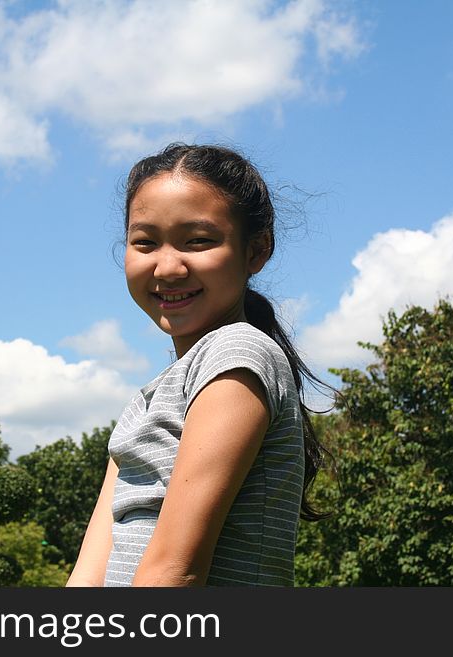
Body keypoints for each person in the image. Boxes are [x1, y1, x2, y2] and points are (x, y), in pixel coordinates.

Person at [66, 143, 329, 587]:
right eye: (145, 242)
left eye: (199, 241)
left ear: (256, 251)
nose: (168, 267)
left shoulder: (238, 353)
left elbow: (174, 572)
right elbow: (85, 581)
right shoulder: (145, 401)